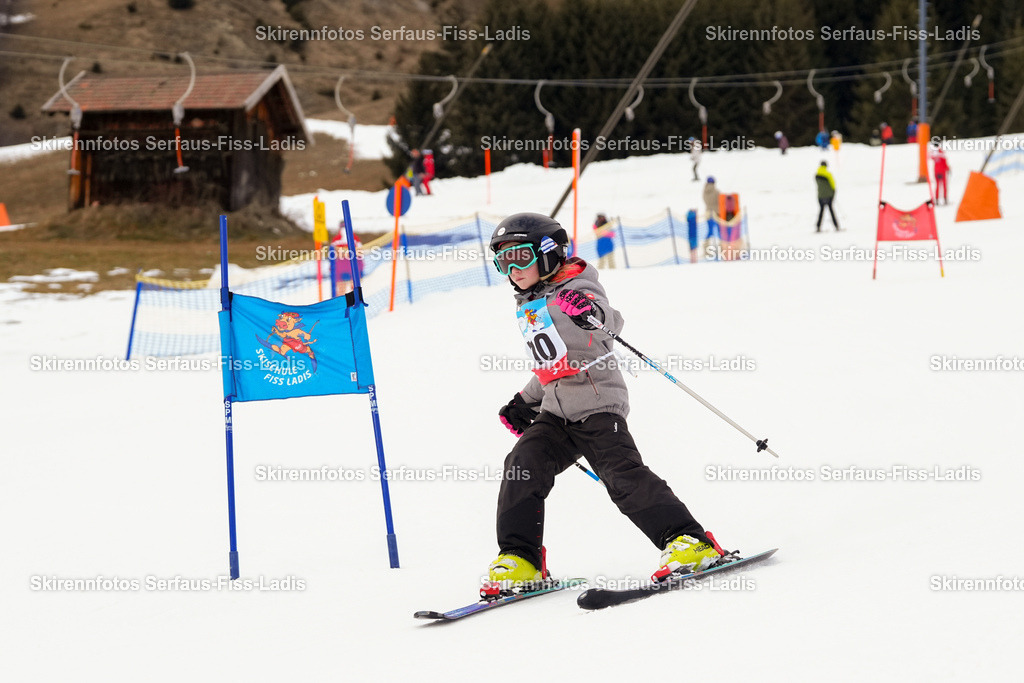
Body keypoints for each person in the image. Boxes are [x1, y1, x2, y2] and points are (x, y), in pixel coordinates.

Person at [485, 213, 722, 591]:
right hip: (556, 411)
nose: (512, 269)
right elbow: (552, 363)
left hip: (597, 403)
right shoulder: (530, 304)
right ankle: (521, 559)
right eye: (503, 262)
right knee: (521, 465)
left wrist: (588, 311)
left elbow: (608, 323)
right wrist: (524, 401)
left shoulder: (576, 285)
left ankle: (688, 540)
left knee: (621, 475)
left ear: (547, 253)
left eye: (520, 257)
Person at [815, 161, 840, 232]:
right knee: (831, 211)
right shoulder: (828, 174)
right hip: (828, 196)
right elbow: (833, 185)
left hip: (820, 196)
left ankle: (818, 227)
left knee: (821, 211)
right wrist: (833, 193)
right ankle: (836, 226)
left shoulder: (816, 175)